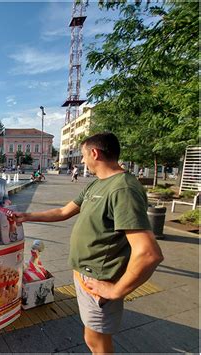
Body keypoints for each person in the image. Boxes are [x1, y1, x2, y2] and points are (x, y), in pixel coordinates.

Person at [14, 132, 163, 353]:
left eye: (84, 155)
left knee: (98, 342)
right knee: (92, 337)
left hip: (100, 280)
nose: (82, 161)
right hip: (86, 276)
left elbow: (149, 253)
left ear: (95, 153)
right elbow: (64, 212)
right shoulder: (97, 185)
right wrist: (28, 216)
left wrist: (116, 291)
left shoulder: (123, 188)